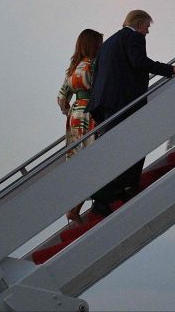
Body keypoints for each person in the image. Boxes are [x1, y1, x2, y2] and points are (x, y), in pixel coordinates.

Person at [87, 10, 175, 216]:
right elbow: (139, 62)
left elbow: (98, 75)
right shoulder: (134, 37)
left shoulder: (110, 42)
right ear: (139, 24)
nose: (148, 31)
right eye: (147, 26)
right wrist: (170, 69)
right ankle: (117, 190)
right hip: (123, 102)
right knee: (133, 143)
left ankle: (109, 194)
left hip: (105, 103)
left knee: (110, 149)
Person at [57, 28, 103, 223]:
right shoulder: (94, 66)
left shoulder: (73, 69)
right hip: (90, 113)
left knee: (77, 158)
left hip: (75, 115)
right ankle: (76, 208)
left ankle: (75, 205)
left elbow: (61, 97)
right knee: (92, 159)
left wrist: (68, 110)